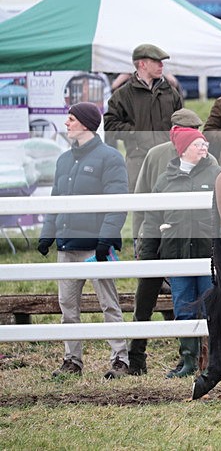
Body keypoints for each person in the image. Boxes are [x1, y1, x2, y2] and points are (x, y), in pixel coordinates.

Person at [37, 102, 130, 379]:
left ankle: (120, 360)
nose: (66, 123)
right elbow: (57, 201)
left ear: (86, 124)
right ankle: (72, 360)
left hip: (95, 248)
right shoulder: (64, 160)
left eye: (71, 119)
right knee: (68, 306)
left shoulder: (110, 158)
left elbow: (117, 202)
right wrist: (47, 234)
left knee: (109, 304)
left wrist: (106, 239)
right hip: (67, 246)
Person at [127, 108, 216, 376]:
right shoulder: (158, 162)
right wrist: (141, 242)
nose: (201, 143)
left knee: (208, 303)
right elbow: (145, 205)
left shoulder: (211, 164)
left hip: (201, 248)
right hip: (170, 245)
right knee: (153, 302)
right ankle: (139, 357)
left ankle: (208, 359)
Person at [103, 43, 184, 192]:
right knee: (140, 210)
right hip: (138, 160)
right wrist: (136, 133)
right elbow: (110, 125)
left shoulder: (171, 93)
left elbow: (183, 124)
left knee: (170, 208)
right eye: (156, 62)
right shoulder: (122, 95)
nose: (161, 65)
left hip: (168, 160)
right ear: (142, 64)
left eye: (162, 62)